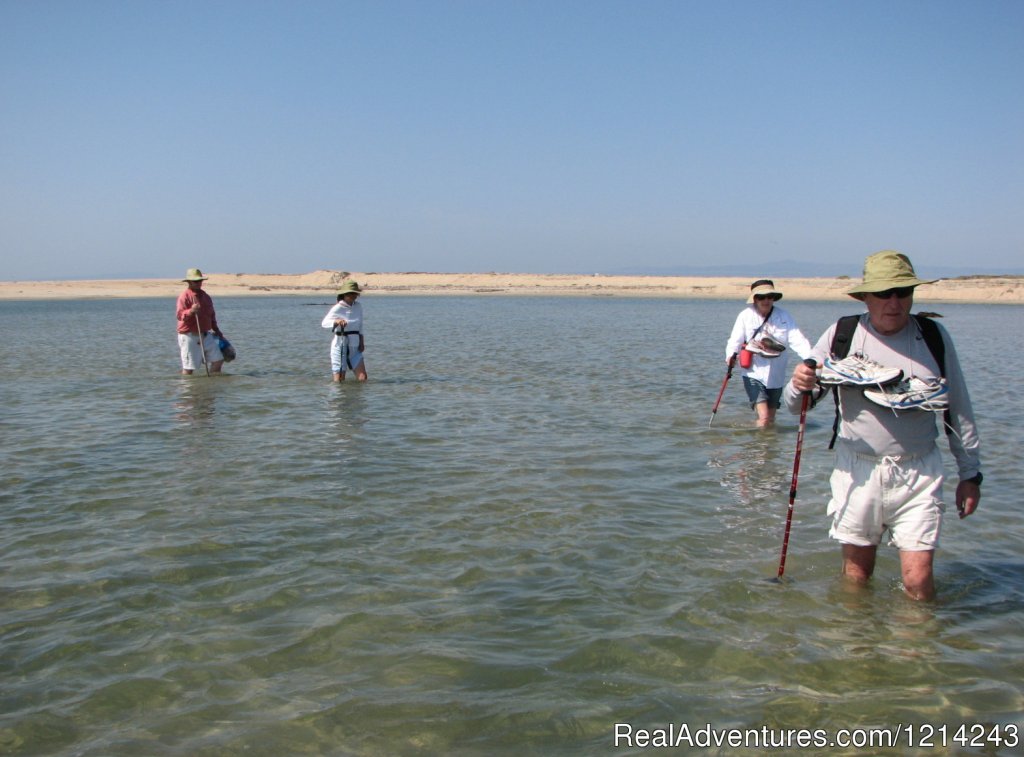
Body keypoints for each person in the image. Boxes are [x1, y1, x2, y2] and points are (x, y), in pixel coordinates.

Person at [785, 251, 982, 601]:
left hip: (919, 471)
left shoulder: (933, 337)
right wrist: (797, 382)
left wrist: (971, 475)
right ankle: (859, 647)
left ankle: (914, 649)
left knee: (918, 582)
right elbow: (797, 405)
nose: (894, 302)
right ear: (865, 297)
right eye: (884, 293)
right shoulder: (841, 334)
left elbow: (959, 408)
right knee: (857, 577)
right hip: (857, 470)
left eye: (903, 292)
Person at [725, 279, 813, 427]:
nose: (766, 300)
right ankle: (760, 448)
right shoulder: (745, 316)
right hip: (753, 372)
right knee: (765, 417)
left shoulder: (784, 316)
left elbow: (797, 339)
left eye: (769, 296)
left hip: (776, 375)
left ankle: (763, 442)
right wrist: (730, 356)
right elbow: (735, 340)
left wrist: (811, 360)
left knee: (771, 420)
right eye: (761, 297)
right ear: (754, 299)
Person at [175, 268, 224, 375]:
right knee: (189, 368)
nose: (198, 283)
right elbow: (179, 315)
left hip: (206, 334)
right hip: (189, 336)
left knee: (218, 360)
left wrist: (218, 333)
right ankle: (187, 388)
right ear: (189, 282)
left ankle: (213, 384)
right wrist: (191, 311)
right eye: (195, 281)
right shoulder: (184, 297)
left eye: (200, 281)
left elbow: (212, 316)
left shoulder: (206, 296)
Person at [321, 280, 367, 382]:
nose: (354, 296)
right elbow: (324, 323)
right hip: (340, 346)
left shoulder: (358, 306)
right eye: (351, 293)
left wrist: (362, 343)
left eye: (355, 293)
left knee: (363, 378)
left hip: (355, 346)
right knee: (340, 380)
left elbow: (360, 327)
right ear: (345, 294)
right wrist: (336, 321)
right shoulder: (337, 307)